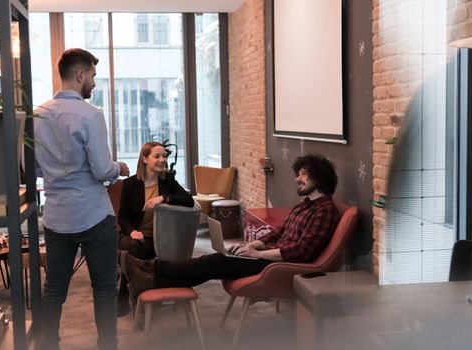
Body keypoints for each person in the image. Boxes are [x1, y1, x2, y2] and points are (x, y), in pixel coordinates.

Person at [123, 154, 341, 297]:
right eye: (298, 174)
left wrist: (258, 255)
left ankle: (151, 271)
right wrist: (255, 244)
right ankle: (151, 279)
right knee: (215, 261)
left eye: (304, 174)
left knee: (213, 262)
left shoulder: (324, 210)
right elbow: (279, 232)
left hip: (281, 266)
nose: (297, 179)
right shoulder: (303, 206)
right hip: (271, 258)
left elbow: (302, 252)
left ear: (320, 178)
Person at [34, 48, 129, 350]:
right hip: (93, 216)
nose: (94, 83)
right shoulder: (90, 115)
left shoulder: (37, 115)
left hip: (56, 217)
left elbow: (34, 168)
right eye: (93, 76)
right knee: (103, 290)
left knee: (54, 289)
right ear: (80, 74)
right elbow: (102, 170)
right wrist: (119, 169)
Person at [117, 141, 194, 315]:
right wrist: (133, 231)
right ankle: (139, 299)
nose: (162, 160)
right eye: (157, 156)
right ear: (145, 159)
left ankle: (131, 296)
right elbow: (122, 216)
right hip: (131, 233)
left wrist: (163, 198)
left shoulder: (167, 181)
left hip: (155, 237)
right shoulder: (130, 184)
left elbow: (189, 201)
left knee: (137, 252)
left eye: (164, 156)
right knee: (134, 247)